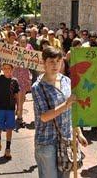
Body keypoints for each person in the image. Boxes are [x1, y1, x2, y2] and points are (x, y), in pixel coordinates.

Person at [31, 46, 88, 178]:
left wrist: (79, 133)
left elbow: (72, 111)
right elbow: (44, 117)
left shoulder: (66, 81)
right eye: (51, 61)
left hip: (66, 140)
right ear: (43, 63)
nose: (55, 65)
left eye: (58, 61)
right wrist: (66, 104)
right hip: (47, 142)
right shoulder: (38, 87)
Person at [0, 63, 19, 159]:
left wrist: (19, 108)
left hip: (11, 108)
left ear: (12, 69)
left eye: (8, 68)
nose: (6, 70)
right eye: (4, 68)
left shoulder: (15, 81)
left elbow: (17, 95)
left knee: (9, 128)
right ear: (2, 69)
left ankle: (8, 148)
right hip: (0, 107)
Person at [12, 35, 33, 126]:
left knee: (23, 97)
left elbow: (33, 59)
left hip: (25, 74)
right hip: (17, 74)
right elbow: (11, 61)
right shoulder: (14, 50)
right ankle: (20, 117)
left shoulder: (29, 48)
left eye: (24, 42)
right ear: (18, 42)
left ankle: (19, 110)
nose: (23, 44)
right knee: (19, 96)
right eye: (21, 42)